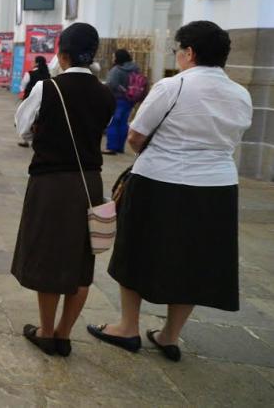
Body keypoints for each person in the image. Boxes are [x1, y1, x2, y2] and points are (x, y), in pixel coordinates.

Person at [88, 21, 252, 362]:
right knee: (194, 259)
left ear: (189, 52)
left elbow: (136, 135)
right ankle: (169, 335)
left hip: (160, 182)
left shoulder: (173, 87)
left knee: (135, 250)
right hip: (217, 188)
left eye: (178, 50)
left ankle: (128, 327)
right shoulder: (241, 94)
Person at [10, 23, 116, 357]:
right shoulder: (105, 93)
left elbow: (23, 127)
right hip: (89, 181)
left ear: (62, 51)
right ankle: (64, 334)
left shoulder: (48, 88)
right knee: (81, 261)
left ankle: (46, 331)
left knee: (48, 257)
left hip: (52, 182)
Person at [103, 49, 142, 154]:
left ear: (118, 57)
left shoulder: (116, 70)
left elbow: (111, 84)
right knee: (123, 123)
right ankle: (120, 147)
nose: (113, 58)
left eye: (114, 56)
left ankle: (111, 147)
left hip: (117, 99)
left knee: (113, 123)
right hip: (130, 99)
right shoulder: (135, 69)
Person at [17, 56, 50, 147]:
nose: (32, 63)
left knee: (27, 118)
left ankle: (26, 140)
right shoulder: (47, 75)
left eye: (33, 61)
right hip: (43, 100)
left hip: (30, 99)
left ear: (37, 63)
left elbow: (23, 86)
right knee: (39, 120)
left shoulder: (30, 73)